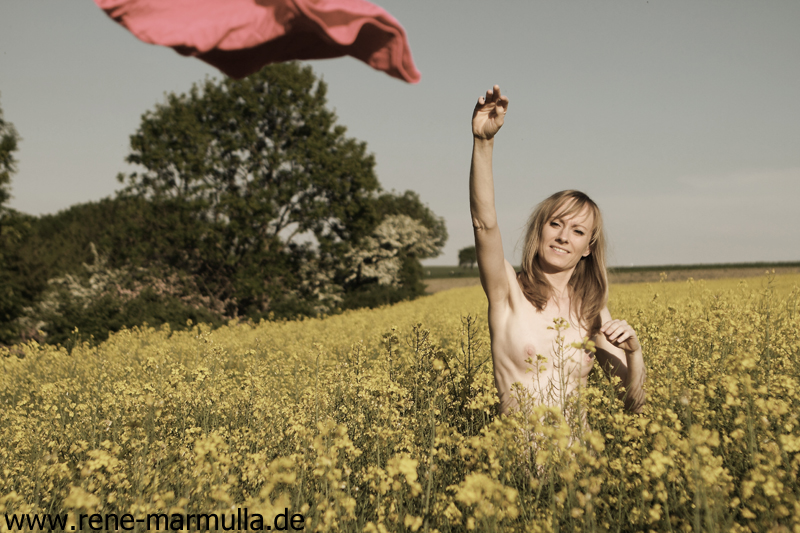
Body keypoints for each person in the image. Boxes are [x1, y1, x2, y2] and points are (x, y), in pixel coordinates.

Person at [469, 85, 646, 417]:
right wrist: (483, 142)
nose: (564, 237)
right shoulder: (506, 291)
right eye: (555, 224)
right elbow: (484, 224)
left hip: (580, 452)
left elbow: (633, 405)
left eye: (577, 231)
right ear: (540, 229)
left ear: (588, 248)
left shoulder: (592, 309)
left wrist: (635, 354)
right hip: (519, 451)